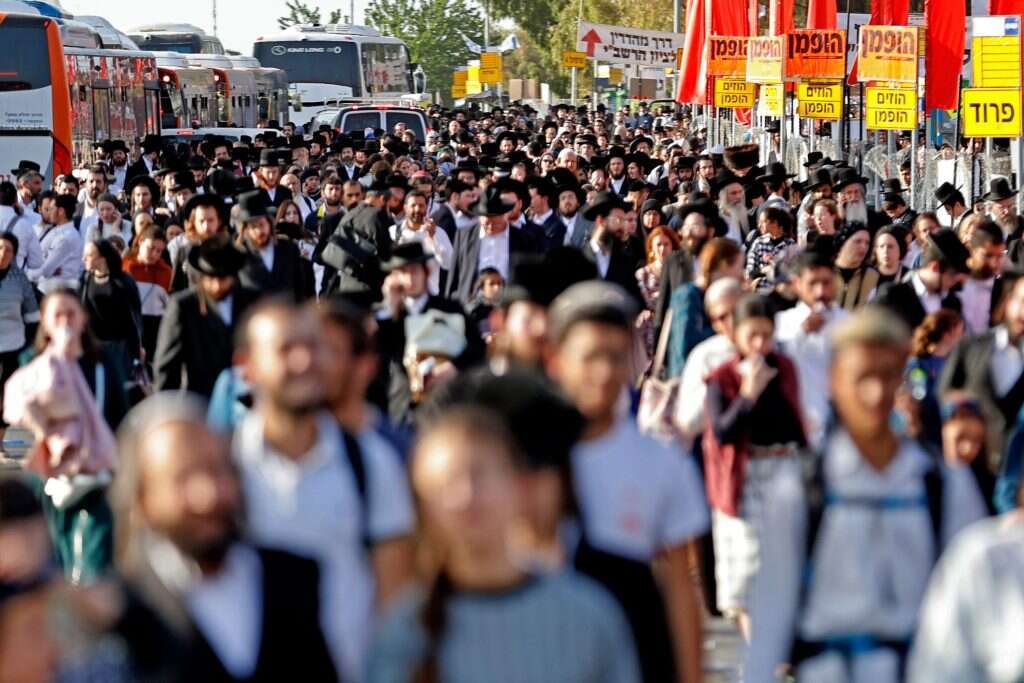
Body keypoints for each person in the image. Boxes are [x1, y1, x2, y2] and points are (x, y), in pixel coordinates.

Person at [367, 407, 641, 683]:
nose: (465, 496)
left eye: (479, 474)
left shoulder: (587, 619)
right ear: (424, 506)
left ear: (518, 486)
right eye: (445, 483)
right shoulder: (403, 634)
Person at [786, 306, 986, 683]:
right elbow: (771, 618)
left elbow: (971, 601)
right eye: (861, 377)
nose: (875, 393)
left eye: (888, 376)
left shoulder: (945, 483)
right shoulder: (802, 485)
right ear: (835, 381)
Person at [232, 300, 416, 682]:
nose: (304, 362)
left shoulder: (371, 464)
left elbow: (396, 601)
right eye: (285, 350)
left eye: (312, 348)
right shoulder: (222, 469)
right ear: (247, 367)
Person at [107, 394, 339, 681]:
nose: (208, 495)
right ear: (142, 500)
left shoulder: (293, 578)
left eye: (218, 470)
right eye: (183, 478)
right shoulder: (122, 608)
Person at [545, 281, 708, 683]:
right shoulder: (523, 457)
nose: (604, 372)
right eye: (590, 357)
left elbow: (680, 590)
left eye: (616, 357)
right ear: (556, 360)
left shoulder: (662, 463)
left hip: (634, 653)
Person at [703, 293, 807, 680]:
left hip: (783, 473)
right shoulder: (722, 378)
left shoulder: (786, 368)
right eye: (753, 336)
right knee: (745, 579)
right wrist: (748, 393)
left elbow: (795, 426)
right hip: (741, 482)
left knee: (784, 569)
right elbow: (723, 430)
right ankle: (762, 660)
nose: (761, 344)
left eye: (767, 335)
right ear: (736, 335)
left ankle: (779, 656)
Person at [376, 242, 485, 426]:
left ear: (426, 272)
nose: (410, 278)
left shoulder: (450, 308)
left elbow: (478, 348)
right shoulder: (389, 315)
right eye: (403, 272)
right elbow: (382, 350)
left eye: (414, 271)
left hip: (446, 403)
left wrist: (454, 366)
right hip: (405, 407)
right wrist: (390, 306)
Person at [154, 235, 256, 398]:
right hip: (200, 402)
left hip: (245, 402)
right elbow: (167, 367)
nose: (216, 286)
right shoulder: (183, 306)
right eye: (211, 278)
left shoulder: (251, 303)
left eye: (222, 279)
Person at [775, 247, 850, 447]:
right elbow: (778, 366)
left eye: (826, 283)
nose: (820, 292)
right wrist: (802, 334)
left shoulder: (850, 324)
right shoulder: (783, 323)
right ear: (797, 284)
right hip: (799, 422)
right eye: (812, 284)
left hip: (843, 426)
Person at [446, 186, 538, 305]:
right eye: (486, 223)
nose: (490, 226)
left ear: (505, 215)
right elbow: (454, 273)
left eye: (495, 222)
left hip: (508, 303)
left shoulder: (524, 239)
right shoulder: (464, 235)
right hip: (471, 302)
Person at [876, 228, 970, 330]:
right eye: (953, 276)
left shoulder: (952, 303)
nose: (954, 282)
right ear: (935, 267)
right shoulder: (893, 296)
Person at [234, 191, 314, 302]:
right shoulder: (238, 256)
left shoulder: (289, 249)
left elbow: (301, 289)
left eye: (261, 224)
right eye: (253, 226)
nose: (259, 231)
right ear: (245, 229)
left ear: (269, 223)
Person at [0, 233, 39, 456]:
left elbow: (32, 312)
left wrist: (31, 342)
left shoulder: (19, 278)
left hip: (12, 343)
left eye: (9, 250)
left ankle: (1, 438)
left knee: (5, 395)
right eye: (0, 248)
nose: (4, 253)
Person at [79, 239, 143, 373]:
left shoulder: (123, 281)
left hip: (119, 346)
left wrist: (137, 348)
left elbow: (134, 317)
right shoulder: (86, 279)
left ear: (102, 258)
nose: (83, 259)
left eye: (89, 255)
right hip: (94, 344)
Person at [123, 225, 172, 363]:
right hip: (130, 324)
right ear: (140, 242)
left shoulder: (166, 272)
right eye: (151, 248)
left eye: (159, 251)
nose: (155, 254)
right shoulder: (126, 266)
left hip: (155, 327)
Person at [392, 189, 452, 296]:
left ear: (427, 208)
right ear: (405, 208)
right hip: (402, 298)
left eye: (421, 205)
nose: (417, 209)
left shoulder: (438, 232)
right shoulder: (392, 232)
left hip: (431, 296)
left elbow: (448, 264)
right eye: (413, 205)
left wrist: (433, 238)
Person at [635, 226, 681, 357]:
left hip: (674, 324)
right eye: (658, 244)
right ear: (651, 248)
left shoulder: (680, 272)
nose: (662, 249)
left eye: (666, 244)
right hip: (649, 328)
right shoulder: (643, 274)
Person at [26, 192, 83, 293]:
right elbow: (35, 255)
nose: (49, 212)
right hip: (45, 288)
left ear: (61, 211)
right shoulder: (53, 230)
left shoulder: (66, 238)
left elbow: (46, 270)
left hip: (56, 293)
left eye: (51, 209)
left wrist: (25, 274)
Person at [959, 219, 1003, 335]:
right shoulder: (954, 285)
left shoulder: (1004, 290)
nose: (993, 263)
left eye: (998, 256)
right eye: (987, 256)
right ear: (972, 249)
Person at [746, 206, 796, 292]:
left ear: (775, 223)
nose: (759, 225)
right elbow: (749, 273)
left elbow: (794, 273)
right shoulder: (759, 243)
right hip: (761, 291)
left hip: (782, 293)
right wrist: (764, 270)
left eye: (763, 222)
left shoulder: (790, 245)